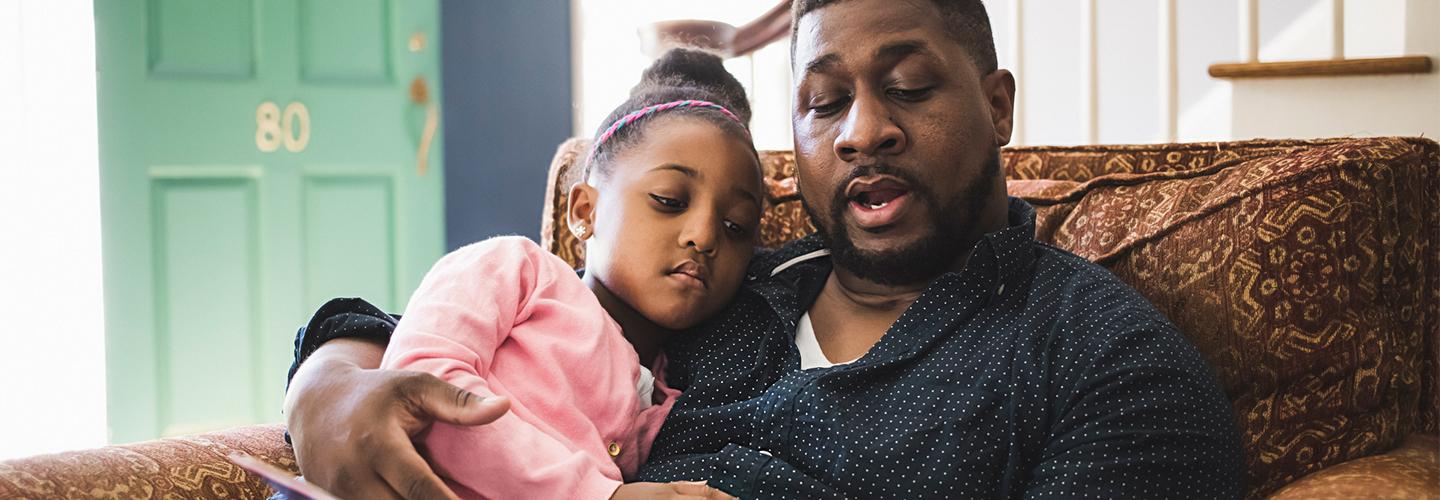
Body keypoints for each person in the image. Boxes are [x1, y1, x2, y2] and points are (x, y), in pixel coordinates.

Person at [282, 1, 1246, 499]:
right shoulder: (732, 286)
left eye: (908, 85)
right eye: (823, 104)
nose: (861, 130)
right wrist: (327, 382)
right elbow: (489, 326)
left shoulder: (1107, 364)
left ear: (997, 107)